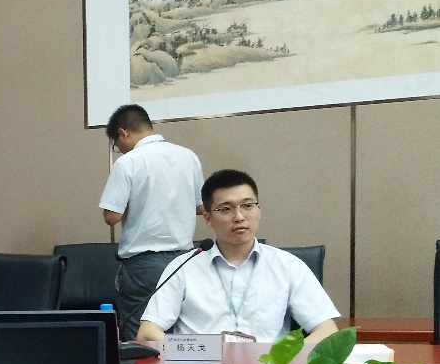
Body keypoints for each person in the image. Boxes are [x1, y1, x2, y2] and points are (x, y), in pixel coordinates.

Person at [136, 169, 338, 344]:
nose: (239, 217)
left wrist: (283, 358)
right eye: (226, 209)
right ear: (208, 218)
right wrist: (198, 353)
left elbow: (327, 330)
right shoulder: (183, 267)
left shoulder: (288, 266)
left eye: (248, 206)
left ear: (259, 210)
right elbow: (147, 333)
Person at [98, 104, 204, 340]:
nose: (119, 149)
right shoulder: (188, 156)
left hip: (143, 265)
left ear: (123, 132)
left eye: (117, 143)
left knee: (141, 339)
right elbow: (201, 207)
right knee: (178, 336)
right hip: (185, 261)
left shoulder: (128, 162)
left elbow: (111, 217)